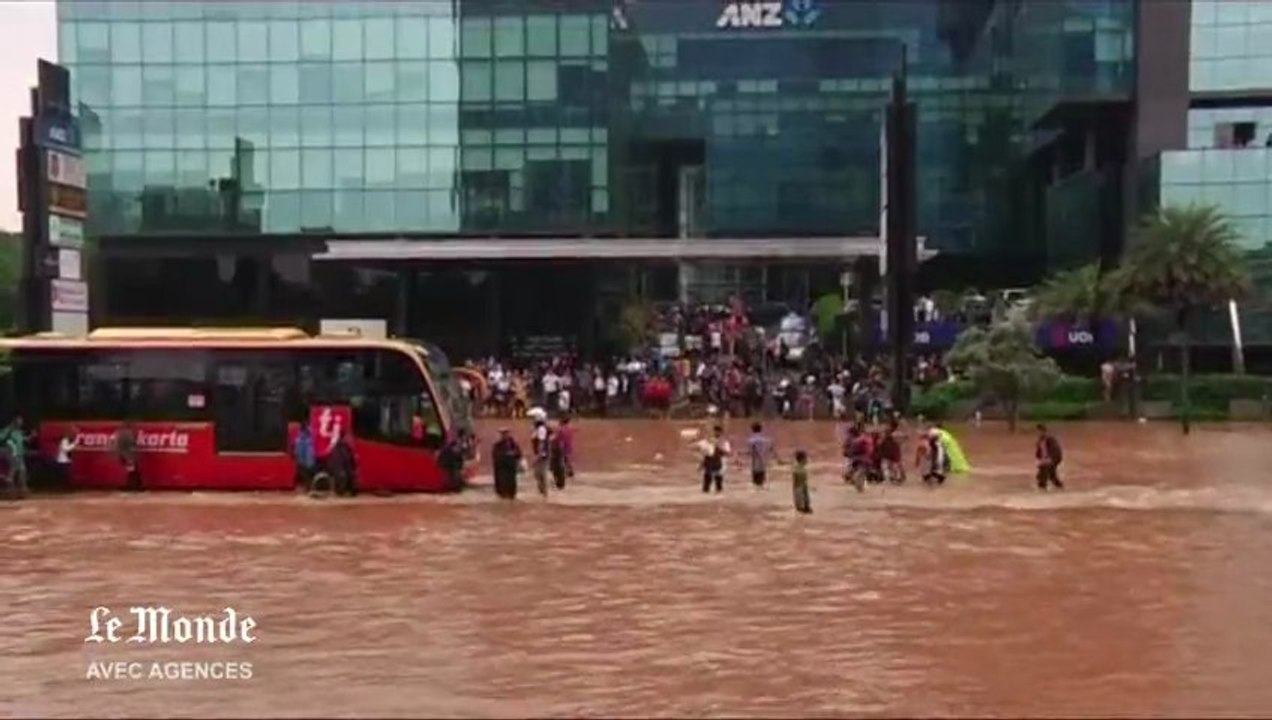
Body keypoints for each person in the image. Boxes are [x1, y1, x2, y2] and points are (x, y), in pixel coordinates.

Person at [1, 416, 31, 497]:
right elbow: (1, 437)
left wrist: (30, 437)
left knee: (23, 470)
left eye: (21, 421)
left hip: (19, 454)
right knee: (14, 466)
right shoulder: (8, 430)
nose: (20, 423)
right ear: (14, 422)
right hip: (11, 452)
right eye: (18, 421)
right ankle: (9, 482)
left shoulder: (19, 432)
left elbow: (22, 439)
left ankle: (22, 489)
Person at [492, 428, 523, 500]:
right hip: (501, 470)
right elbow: (495, 456)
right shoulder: (497, 445)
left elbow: (519, 453)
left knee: (511, 489)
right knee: (502, 489)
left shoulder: (513, 444)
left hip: (511, 470)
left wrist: (513, 454)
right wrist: (506, 455)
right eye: (502, 434)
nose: (504, 435)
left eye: (506, 434)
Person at [699, 424, 730, 493]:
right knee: (707, 482)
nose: (716, 433)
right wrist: (701, 464)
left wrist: (718, 448)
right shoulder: (708, 441)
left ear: (721, 433)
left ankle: (718, 495)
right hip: (709, 462)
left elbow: (727, 453)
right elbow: (705, 453)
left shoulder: (724, 442)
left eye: (718, 432)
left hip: (719, 463)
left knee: (718, 483)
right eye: (715, 431)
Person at [328, 430, 358, 497]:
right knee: (347, 476)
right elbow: (347, 458)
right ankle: (345, 490)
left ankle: (342, 490)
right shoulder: (343, 447)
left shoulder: (338, 446)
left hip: (342, 467)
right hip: (343, 467)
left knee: (346, 476)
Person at [1035, 423, 1064, 491]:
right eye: (1038, 431)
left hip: (1053, 458)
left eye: (1040, 431)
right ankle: (1058, 485)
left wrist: (1051, 459)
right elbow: (1040, 451)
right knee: (1050, 473)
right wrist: (1040, 458)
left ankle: (1042, 486)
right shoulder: (1041, 439)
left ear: (1044, 431)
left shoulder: (1050, 439)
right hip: (1046, 459)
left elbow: (1056, 449)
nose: (1039, 432)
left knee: (1044, 470)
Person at [746, 422, 776, 488]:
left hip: (755, 464)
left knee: (755, 484)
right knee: (762, 482)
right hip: (763, 463)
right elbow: (771, 449)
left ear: (752, 429)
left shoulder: (750, 440)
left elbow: (750, 452)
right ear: (761, 429)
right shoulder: (766, 440)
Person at [114, 422, 141, 492]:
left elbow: (117, 445)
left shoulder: (119, 433)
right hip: (127, 456)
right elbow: (132, 443)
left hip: (123, 455)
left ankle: (132, 486)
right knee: (133, 471)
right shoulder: (127, 433)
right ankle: (132, 486)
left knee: (132, 471)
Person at [291, 422, 317, 491]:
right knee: (307, 476)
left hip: (303, 462)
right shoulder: (309, 439)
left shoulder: (299, 440)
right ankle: (308, 487)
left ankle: (305, 487)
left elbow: (297, 452)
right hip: (309, 462)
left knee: (304, 475)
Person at [530, 417, 551, 497]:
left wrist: (538, 454)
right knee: (538, 473)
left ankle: (544, 493)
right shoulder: (537, 430)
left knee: (541, 473)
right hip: (540, 454)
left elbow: (541, 443)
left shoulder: (541, 429)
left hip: (542, 454)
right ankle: (542, 492)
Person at [791, 450, 812, 514]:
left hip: (802, 488)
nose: (807, 460)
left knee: (805, 507)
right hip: (799, 489)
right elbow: (796, 481)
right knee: (801, 508)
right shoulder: (797, 468)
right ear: (802, 459)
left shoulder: (803, 468)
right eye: (806, 458)